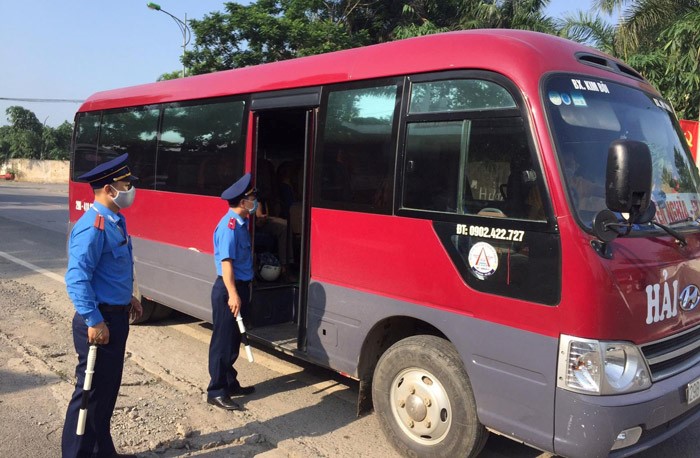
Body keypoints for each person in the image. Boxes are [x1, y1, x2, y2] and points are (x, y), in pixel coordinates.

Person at [62, 153, 144, 458]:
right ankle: (77, 453)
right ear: (109, 190)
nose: (130, 188)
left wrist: (128, 297)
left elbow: (110, 270)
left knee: (106, 393)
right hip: (99, 321)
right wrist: (95, 321)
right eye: (126, 183)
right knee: (89, 394)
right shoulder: (93, 226)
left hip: (114, 316)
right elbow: (77, 278)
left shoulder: (115, 220)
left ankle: (101, 451)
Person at [207, 173, 257, 410]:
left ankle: (229, 382)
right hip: (229, 289)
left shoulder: (241, 223)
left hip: (240, 287)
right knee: (223, 341)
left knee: (234, 339)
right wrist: (233, 294)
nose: (255, 201)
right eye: (252, 198)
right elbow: (226, 264)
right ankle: (216, 390)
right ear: (243, 201)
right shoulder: (228, 227)